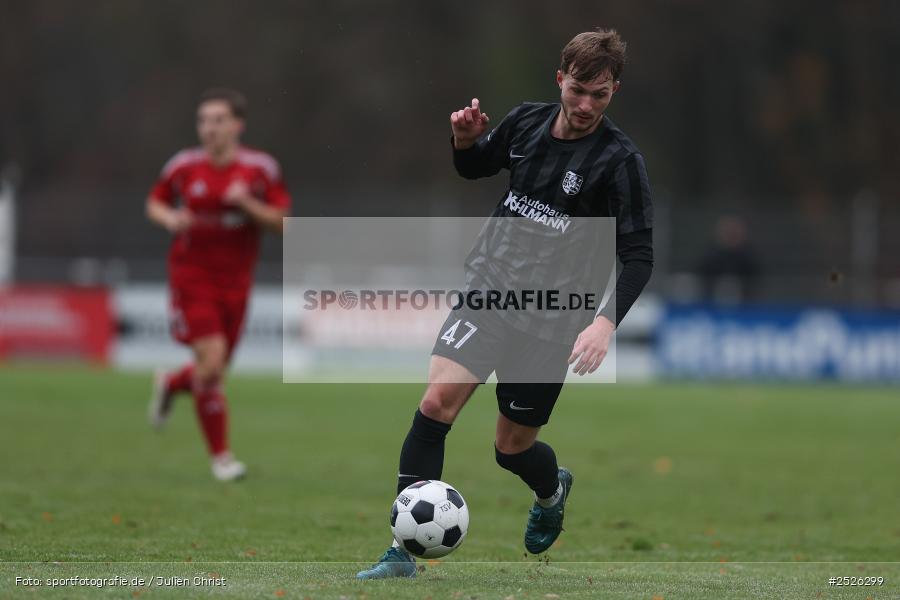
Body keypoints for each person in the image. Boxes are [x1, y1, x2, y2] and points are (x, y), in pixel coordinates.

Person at [357, 29, 654, 579]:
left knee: (511, 449)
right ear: (560, 78)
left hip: (552, 321)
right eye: (579, 90)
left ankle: (550, 490)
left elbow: (638, 254)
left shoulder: (619, 161)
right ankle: (401, 552)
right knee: (435, 405)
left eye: (602, 94)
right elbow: (474, 167)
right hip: (489, 293)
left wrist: (604, 324)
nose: (587, 105)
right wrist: (465, 141)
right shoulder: (524, 122)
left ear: (614, 91)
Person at [145, 88, 291, 481]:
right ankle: (222, 459)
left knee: (212, 370)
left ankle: (171, 382)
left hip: (237, 283)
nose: (209, 128)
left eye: (218, 120)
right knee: (211, 364)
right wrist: (170, 219)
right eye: (203, 120)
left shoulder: (260, 170)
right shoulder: (183, 166)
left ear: (237, 125)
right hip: (191, 276)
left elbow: (283, 223)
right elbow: (154, 202)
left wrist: (247, 204)